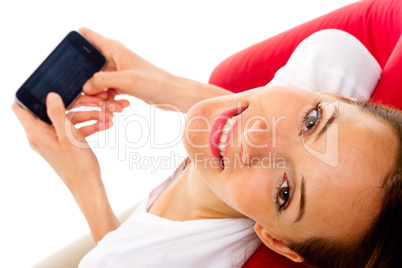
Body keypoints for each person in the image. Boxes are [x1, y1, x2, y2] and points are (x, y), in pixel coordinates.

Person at [13, 27, 401, 268]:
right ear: (334, 96)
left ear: (276, 240)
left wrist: (84, 183)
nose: (255, 137)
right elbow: (339, 52)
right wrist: (165, 86)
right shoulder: (329, 71)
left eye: (284, 193)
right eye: (313, 121)